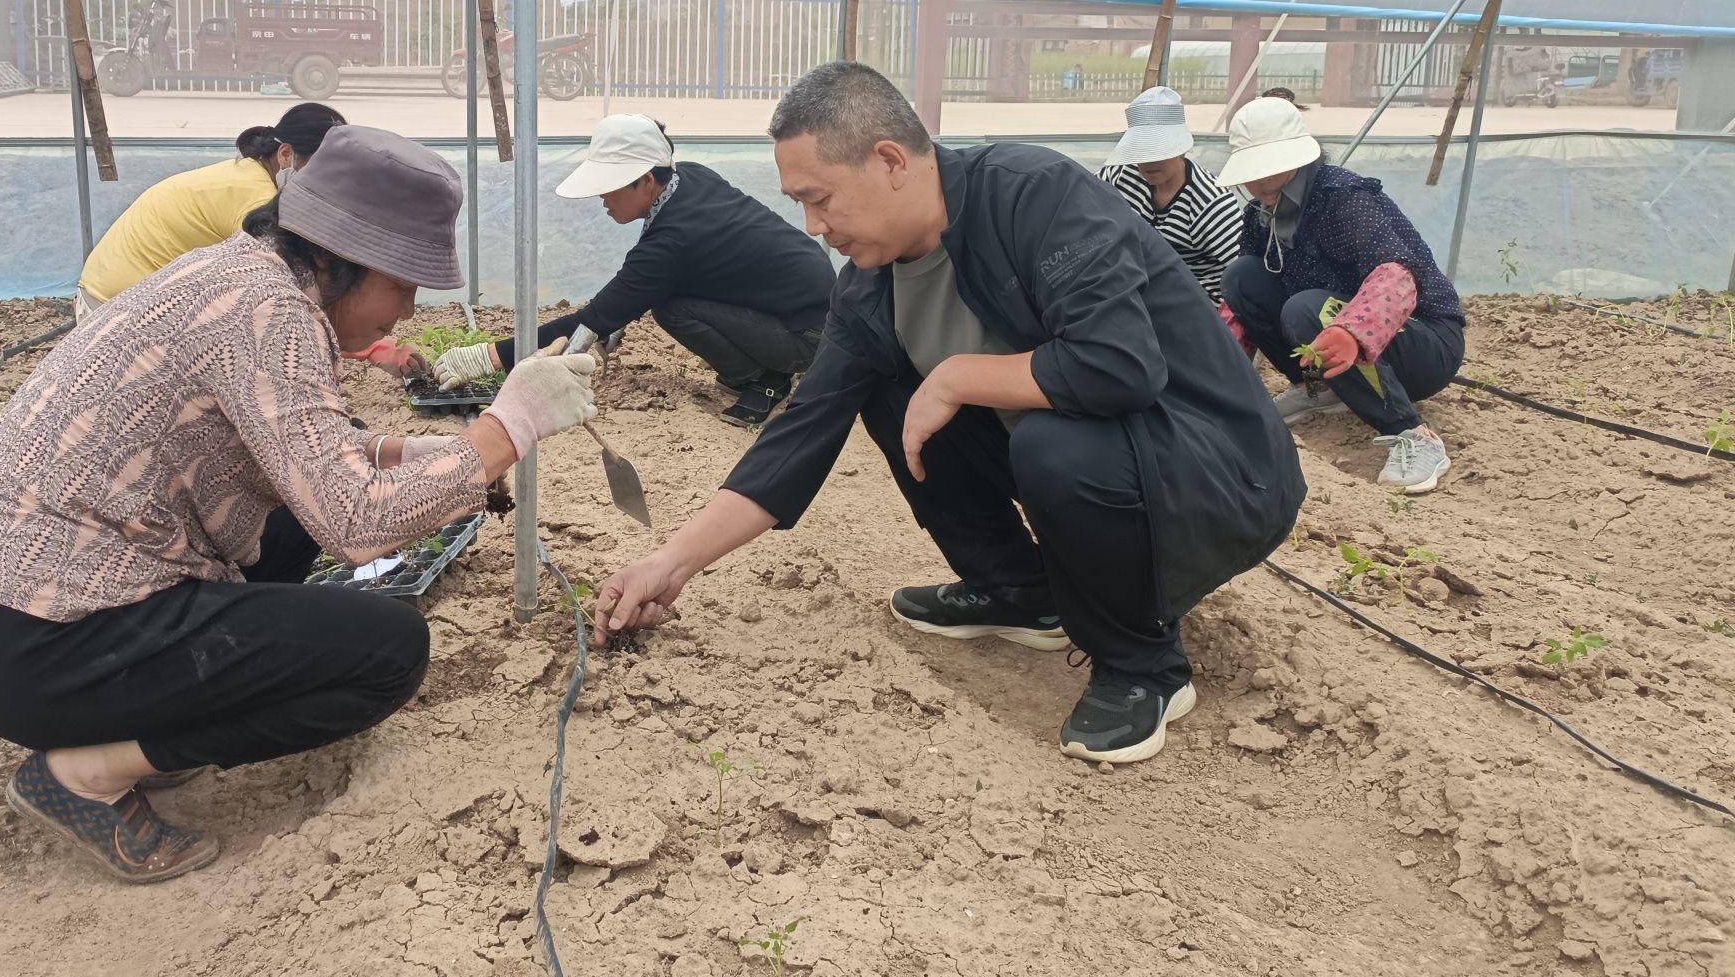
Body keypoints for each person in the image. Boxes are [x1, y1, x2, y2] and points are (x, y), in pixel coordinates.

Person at [0, 127, 599, 884]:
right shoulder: (271, 316)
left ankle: (140, 718)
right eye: (403, 281)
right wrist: (508, 428)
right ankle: (86, 773)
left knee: (287, 524)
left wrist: (416, 454)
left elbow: (301, 448)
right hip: (40, 644)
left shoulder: (245, 274)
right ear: (345, 258)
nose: (410, 308)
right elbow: (356, 523)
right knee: (386, 652)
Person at [589, 65, 1304, 766]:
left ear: (890, 161)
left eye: (820, 199)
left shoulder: (1032, 194)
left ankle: (1144, 664)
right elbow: (801, 432)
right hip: (1111, 460)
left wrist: (959, 375)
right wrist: (669, 564)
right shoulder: (869, 287)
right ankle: (1023, 594)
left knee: (1051, 442)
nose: (813, 227)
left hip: (1218, 471)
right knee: (890, 391)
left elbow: (1121, 364)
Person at [432, 114, 835, 426]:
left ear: (645, 181)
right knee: (669, 297)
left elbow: (593, 320)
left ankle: (764, 379)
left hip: (810, 335)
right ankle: (762, 366)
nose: (602, 198)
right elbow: (663, 275)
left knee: (670, 308)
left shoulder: (673, 242)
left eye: (610, 185)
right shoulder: (690, 178)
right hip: (817, 307)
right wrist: (617, 315)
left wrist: (489, 356)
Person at [1216, 97, 1465, 495]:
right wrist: (1215, 373)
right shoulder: (1261, 216)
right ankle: (1318, 389)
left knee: (1306, 308)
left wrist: (1353, 330)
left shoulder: (1342, 197)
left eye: (1270, 166)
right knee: (1241, 277)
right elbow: (1241, 308)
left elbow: (1397, 275)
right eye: (1253, 170)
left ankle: (1413, 435)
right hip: (1334, 332)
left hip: (1423, 341)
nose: (1260, 181)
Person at [75, 102, 345, 319]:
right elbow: (283, 284)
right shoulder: (256, 198)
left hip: (104, 291)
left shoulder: (247, 173)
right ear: (285, 154)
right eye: (322, 168)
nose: (328, 181)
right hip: (114, 309)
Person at [1096, 86, 1241, 304]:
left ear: (1181, 150)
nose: (1149, 162)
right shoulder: (1121, 176)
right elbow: (1081, 198)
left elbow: (1239, 268)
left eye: (1159, 151)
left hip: (1195, 299)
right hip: (1137, 284)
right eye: (1141, 152)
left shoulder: (1211, 202)